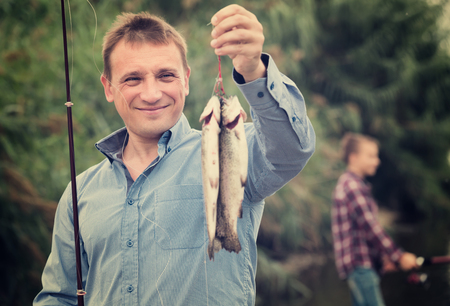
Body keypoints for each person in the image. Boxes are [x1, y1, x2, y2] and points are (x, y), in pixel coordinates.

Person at [34, 4, 315, 306]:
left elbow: (290, 152)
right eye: (132, 79)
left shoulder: (229, 149)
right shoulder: (79, 193)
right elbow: (58, 297)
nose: (152, 93)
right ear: (109, 87)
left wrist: (253, 71)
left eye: (166, 75)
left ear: (187, 80)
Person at [331, 133, 418, 306]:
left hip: (361, 266)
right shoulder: (352, 186)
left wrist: (383, 260)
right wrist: (399, 256)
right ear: (353, 158)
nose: (377, 161)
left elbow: (361, 233)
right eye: (371, 156)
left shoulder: (353, 184)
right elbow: (371, 227)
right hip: (360, 267)